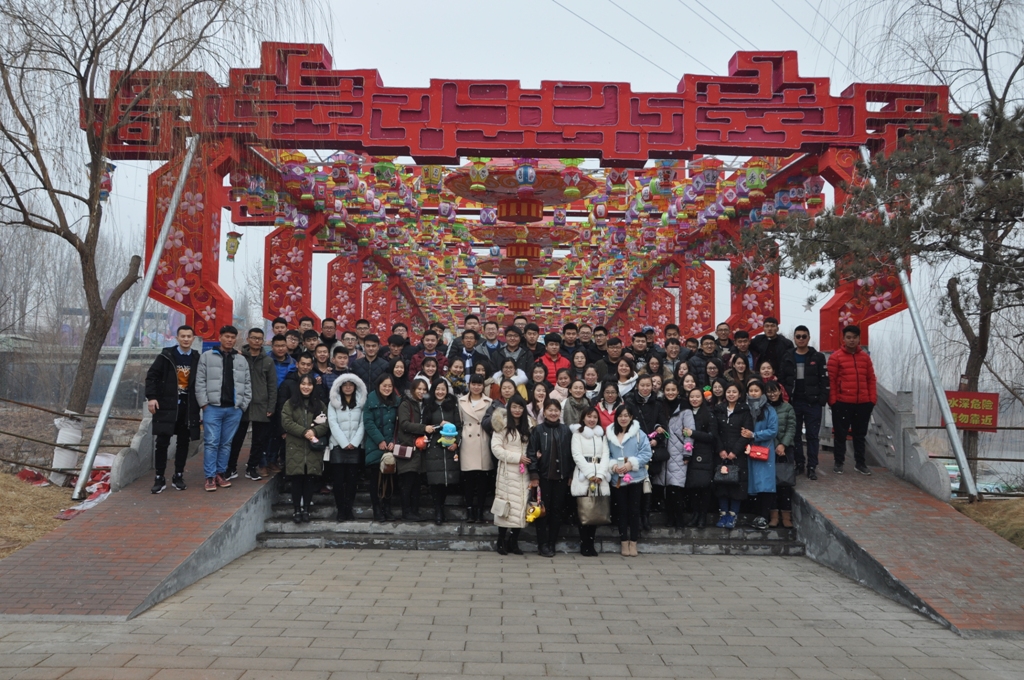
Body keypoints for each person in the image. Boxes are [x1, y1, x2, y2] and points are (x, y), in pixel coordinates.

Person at [196, 325, 252, 492]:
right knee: (212, 442)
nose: (229, 340)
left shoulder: (241, 359)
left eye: (232, 337)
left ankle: (221, 473)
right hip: (212, 408)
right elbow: (200, 382)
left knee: (226, 443)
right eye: (226, 336)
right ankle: (210, 476)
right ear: (220, 337)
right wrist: (204, 404)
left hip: (234, 409)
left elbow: (247, 384)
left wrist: (242, 405)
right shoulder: (207, 356)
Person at [145, 325, 200, 493]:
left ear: (193, 339)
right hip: (166, 405)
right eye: (183, 336)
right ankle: (159, 477)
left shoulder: (197, 358)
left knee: (183, 442)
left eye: (189, 336)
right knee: (162, 442)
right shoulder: (166, 356)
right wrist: (152, 397)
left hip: (188, 407)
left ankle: (178, 475)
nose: (186, 339)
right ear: (177, 338)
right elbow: (151, 377)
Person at [228, 327, 277, 482]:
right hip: (241, 404)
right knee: (237, 438)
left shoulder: (268, 361)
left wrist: (271, 406)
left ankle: (252, 467)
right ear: (248, 339)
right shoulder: (238, 357)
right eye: (254, 338)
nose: (256, 341)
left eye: (259, 338)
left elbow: (272, 385)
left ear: (263, 341)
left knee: (258, 440)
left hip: (261, 405)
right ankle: (231, 467)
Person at [526, 399, 574, 557]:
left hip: (561, 477)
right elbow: (531, 453)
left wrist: (570, 474)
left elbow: (571, 454)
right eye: (550, 410)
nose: (553, 413)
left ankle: (552, 542)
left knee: (556, 511)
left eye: (556, 410)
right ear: (544, 412)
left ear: (560, 412)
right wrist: (534, 474)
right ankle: (542, 544)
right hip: (543, 477)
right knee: (542, 511)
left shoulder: (566, 430)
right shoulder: (538, 430)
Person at [828, 325, 877, 476]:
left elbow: (871, 379)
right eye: (848, 337)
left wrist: (872, 399)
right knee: (840, 435)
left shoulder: (865, 358)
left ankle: (860, 463)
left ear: (859, 339)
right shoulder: (836, 357)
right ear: (843, 339)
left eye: (854, 337)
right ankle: (839, 462)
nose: (851, 340)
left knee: (860, 435)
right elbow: (831, 381)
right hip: (842, 402)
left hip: (863, 403)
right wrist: (833, 401)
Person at [280, 374, 329, 523]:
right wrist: (303, 432)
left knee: (309, 479)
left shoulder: (319, 404)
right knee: (296, 478)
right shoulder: (290, 403)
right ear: (298, 385)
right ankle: (296, 510)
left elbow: (326, 424)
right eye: (303, 384)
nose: (306, 387)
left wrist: (314, 431)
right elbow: (286, 422)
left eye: (309, 384)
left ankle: (306, 509)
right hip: (295, 446)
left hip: (313, 448)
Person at [607, 405, 653, 557]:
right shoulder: (610, 433)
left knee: (634, 511)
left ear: (631, 417)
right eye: (620, 415)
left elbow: (646, 453)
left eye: (626, 415)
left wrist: (630, 464)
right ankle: (623, 541)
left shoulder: (639, 433)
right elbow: (606, 454)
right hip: (617, 479)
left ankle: (633, 541)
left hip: (636, 478)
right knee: (621, 511)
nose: (623, 418)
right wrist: (614, 466)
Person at [490, 394, 533, 555]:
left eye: (520, 407)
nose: (517, 410)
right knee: (505, 507)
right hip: (507, 472)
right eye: (514, 407)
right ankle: (501, 540)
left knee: (520, 507)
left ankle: (514, 541)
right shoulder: (502, 425)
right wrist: (516, 457)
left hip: (524, 472)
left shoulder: (529, 425)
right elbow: (496, 448)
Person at [625, 374, 666, 531]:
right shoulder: (630, 402)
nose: (645, 388)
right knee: (635, 485)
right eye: (642, 385)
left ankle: (645, 516)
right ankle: (634, 517)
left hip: (651, 448)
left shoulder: (658, 403)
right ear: (637, 386)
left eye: (648, 385)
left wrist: (658, 439)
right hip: (634, 447)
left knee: (648, 484)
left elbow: (664, 426)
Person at [570, 407, 611, 557]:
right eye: (589, 416)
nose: (592, 419)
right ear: (583, 418)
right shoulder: (577, 434)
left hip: (599, 476)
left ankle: (591, 544)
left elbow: (606, 455)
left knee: (595, 512)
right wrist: (589, 474)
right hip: (584, 475)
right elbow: (577, 455)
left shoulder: (601, 435)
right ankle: (584, 544)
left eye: (594, 417)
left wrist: (600, 474)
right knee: (584, 510)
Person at [325, 372, 367, 521]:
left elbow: (363, 423)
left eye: (351, 385)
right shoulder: (333, 402)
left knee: (352, 481)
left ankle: (349, 509)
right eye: (345, 385)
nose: (348, 388)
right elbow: (332, 423)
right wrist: (344, 442)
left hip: (355, 446)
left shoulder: (361, 402)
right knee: (338, 481)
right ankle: (341, 510)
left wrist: (354, 442)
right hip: (337, 446)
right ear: (340, 387)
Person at [790, 326, 829, 479]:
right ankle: (799, 463)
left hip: (813, 403)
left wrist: (822, 399)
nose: (801, 339)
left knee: (812, 436)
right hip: (794, 402)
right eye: (798, 336)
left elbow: (824, 379)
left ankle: (812, 466)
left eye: (804, 336)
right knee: (795, 435)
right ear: (794, 338)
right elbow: (784, 377)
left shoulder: (817, 357)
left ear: (808, 338)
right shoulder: (788, 356)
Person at [713, 383, 754, 529]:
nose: (731, 394)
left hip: (738, 455)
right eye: (729, 391)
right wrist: (720, 449)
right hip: (721, 454)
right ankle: (723, 514)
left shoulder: (744, 411)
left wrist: (735, 451)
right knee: (721, 484)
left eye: (734, 392)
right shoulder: (718, 410)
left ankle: (733, 515)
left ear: (739, 394)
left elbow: (746, 434)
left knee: (737, 484)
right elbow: (714, 431)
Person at [423, 379, 462, 525]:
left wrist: (456, 442)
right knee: (436, 481)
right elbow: (424, 427)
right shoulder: (428, 406)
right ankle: (437, 510)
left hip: (450, 448)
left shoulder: (452, 406)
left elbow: (459, 426)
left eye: (443, 389)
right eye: (437, 389)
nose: (440, 392)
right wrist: (438, 426)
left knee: (446, 481)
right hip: (434, 447)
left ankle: (442, 507)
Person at [396, 378, 435, 521]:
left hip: (420, 449)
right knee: (407, 482)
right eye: (419, 389)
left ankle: (415, 511)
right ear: (413, 389)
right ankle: (406, 512)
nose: (422, 392)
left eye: (424, 389)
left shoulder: (426, 405)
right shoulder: (406, 404)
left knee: (417, 483)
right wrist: (423, 428)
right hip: (408, 448)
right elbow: (404, 424)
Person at [363, 374, 400, 521]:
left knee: (389, 478)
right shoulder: (371, 400)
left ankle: (387, 507)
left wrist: (393, 441)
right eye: (384, 385)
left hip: (391, 446)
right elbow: (368, 422)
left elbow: (399, 424)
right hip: (375, 445)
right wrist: (380, 440)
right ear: (378, 386)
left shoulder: (397, 401)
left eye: (390, 386)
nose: (387, 388)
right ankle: (377, 509)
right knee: (375, 480)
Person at [743, 380, 779, 530]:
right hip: (747, 450)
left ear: (762, 392)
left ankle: (764, 516)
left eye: (756, 390)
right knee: (753, 483)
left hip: (764, 451)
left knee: (765, 484)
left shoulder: (769, 410)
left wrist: (754, 435)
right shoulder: (744, 408)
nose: (753, 393)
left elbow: (773, 430)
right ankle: (757, 516)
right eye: (751, 390)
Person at [681, 386, 719, 528]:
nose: (694, 399)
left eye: (697, 396)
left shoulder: (708, 413)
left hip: (704, 455)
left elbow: (712, 436)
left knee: (704, 487)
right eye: (692, 397)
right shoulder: (685, 413)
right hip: (689, 454)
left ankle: (703, 516)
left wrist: (693, 433)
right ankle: (695, 514)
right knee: (693, 487)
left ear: (703, 398)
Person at [458, 374, 493, 523]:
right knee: (469, 479)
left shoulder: (489, 402)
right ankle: (469, 509)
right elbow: (459, 421)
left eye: (479, 384)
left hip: (483, 440)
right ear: (469, 385)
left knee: (482, 478)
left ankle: (479, 510)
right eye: (474, 384)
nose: (476, 387)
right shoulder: (461, 401)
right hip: (467, 441)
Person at [658, 382, 691, 527]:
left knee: (675, 487)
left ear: (678, 391)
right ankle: (670, 518)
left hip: (678, 453)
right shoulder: (660, 406)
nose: (670, 392)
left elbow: (689, 433)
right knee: (665, 486)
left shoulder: (684, 408)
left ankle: (679, 518)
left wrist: (687, 453)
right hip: (664, 452)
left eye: (673, 390)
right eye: (667, 390)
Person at [766, 380, 796, 528]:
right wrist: (777, 444)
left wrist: (783, 444)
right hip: (769, 448)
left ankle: (786, 516)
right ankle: (773, 515)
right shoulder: (765, 408)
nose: (772, 394)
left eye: (775, 391)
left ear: (780, 391)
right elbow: (768, 429)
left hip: (786, 449)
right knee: (771, 483)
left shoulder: (788, 407)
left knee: (785, 482)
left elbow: (791, 427)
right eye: (769, 392)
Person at [750, 317, 795, 389]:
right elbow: (743, 346)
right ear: (763, 328)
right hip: (761, 380)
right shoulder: (758, 341)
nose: (770, 329)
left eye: (772, 326)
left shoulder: (786, 343)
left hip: (780, 380)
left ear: (777, 329)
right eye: (767, 326)